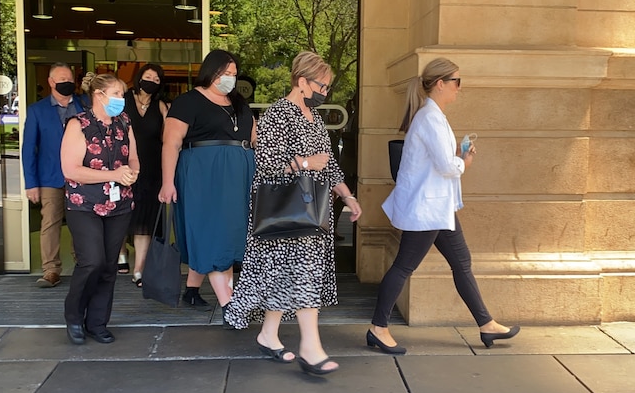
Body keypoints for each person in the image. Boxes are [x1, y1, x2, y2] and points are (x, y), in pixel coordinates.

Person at [368, 57, 519, 355]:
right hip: (428, 210)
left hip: (437, 208)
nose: (459, 89)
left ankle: (486, 324)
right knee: (403, 266)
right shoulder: (430, 118)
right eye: (457, 82)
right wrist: (464, 161)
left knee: (461, 262)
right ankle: (378, 328)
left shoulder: (432, 115)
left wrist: (459, 158)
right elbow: (445, 165)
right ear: (440, 84)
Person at [224, 51, 362, 375]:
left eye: (328, 88)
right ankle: (310, 348)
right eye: (322, 86)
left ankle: (269, 335)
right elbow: (266, 166)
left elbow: (330, 165)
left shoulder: (315, 120)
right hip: (286, 213)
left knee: (289, 278)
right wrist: (304, 163)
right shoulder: (277, 115)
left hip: (311, 213)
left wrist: (349, 196)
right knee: (302, 277)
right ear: (302, 82)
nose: (325, 93)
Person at [159, 50, 256, 315]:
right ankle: (230, 304)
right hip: (204, 176)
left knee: (225, 232)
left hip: (237, 177)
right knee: (214, 234)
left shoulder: (239, 103)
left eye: (234, 75)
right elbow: (171, 143)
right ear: (210, 72)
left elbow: (255, 137)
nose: (230, 79)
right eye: (225, 74)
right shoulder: (188, 102)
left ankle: (192, 290)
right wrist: (168, 182)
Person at [61, 72, 139, 345]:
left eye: (122, 94)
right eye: (117, 94)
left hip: (119, 204)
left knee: (108, 265)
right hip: (84, 204)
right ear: (99, 95)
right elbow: (71, 170)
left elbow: (133, 159)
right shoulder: (78, 124)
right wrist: (114, 175)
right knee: (91, 261)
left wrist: (131, 174)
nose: (122, 99)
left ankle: (97, 322)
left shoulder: (124, 123)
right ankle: (74, 315)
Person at [22, 62, 85, 288]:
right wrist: (31, 183)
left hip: (80, 175)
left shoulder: (84, 106)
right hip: (50, 177)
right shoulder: (37, 111)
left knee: (82, 222)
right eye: (61, 79)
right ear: (50, 82)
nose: (67, 82)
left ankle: (83, 266)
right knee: (50, 222)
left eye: (70, 78)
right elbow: (28, 148)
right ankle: (51, 270)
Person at [119, 64, 169, 286]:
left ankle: (139, 269)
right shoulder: (123, 100)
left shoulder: (161, 106)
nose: (152, 81)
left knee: (145, 221)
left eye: (156, 79)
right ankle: (121, 253)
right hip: (123, 167)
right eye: (148, 76)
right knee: (121, 215)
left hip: (152, 169)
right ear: (139, 78)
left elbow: (168, 138)